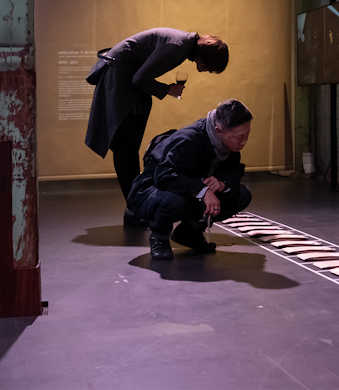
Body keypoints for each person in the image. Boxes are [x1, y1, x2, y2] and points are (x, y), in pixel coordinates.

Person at [85, 27, 229, 226]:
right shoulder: (177, 47)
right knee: (125, 149)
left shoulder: (182, 44)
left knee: (127, 149)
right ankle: (135, 209)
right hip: (122, 84)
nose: (205, 71)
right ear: (205, 57)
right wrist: (168, 89)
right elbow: (139, 78)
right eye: (210, 67)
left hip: (126, 85)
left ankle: (135, 207)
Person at [127, 99, 253, 259]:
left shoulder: (228, 145)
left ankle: (189, 233)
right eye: (239, 136)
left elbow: (235, 171)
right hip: (151, 189)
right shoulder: (190, 139)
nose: (244, 141)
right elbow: (164, 176)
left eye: (247, 134)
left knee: (241, 195)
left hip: (186, 188)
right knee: (173, 202)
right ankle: (159, 237)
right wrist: (203, 190)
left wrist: (222, 184)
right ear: (218, 130)